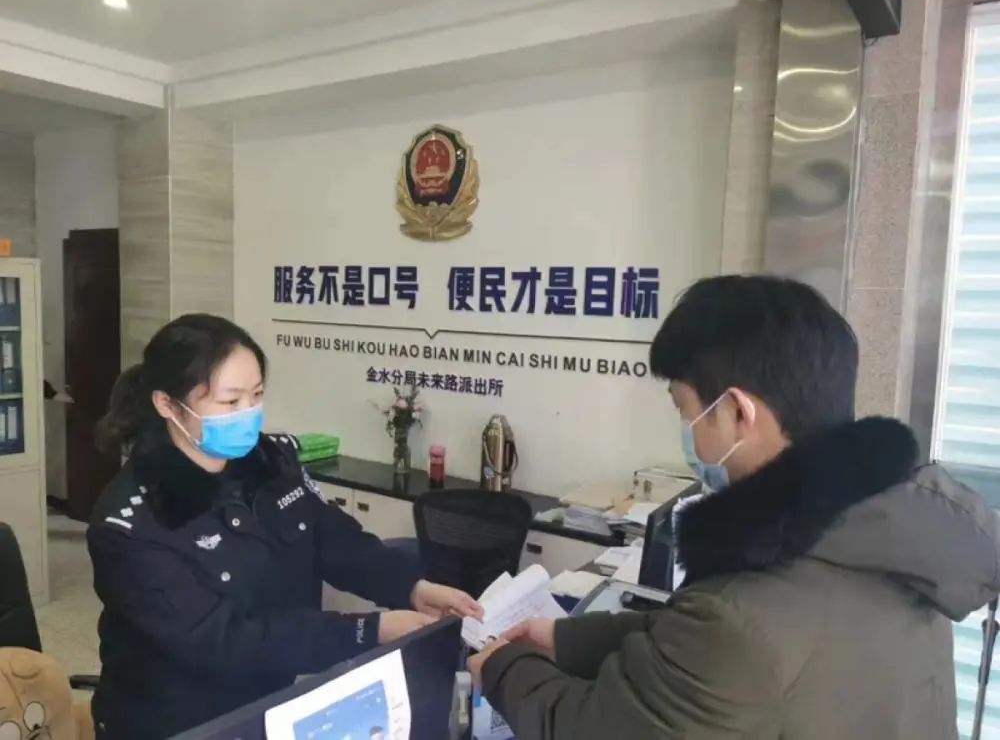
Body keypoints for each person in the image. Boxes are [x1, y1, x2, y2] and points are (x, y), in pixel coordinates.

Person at [469, 275, 1000, 740]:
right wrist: (566, 638)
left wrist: (503, 667)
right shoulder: (897, 535)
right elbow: (716, 652)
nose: (687, 433)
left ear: (738, 412)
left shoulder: (741, 614)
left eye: (685, 410)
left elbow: (591, 727)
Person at [88, 314, 482, 739]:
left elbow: (335, 540)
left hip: (270, 699)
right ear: (167, 405)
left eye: (256, 395)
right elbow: (226, 641)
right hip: (177, 722)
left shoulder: (270, 461)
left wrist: (412, 588)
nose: (248, 414)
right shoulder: (130, 524)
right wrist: (367, 631)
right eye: (229, 402)